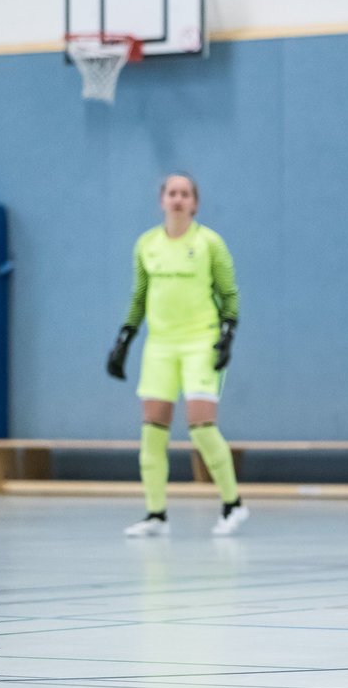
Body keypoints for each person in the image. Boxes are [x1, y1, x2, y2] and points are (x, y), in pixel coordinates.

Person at [106, 172, 248, 538]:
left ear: (195, 203)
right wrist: (125, 338)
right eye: (172, 193)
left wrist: (227, 335)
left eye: (185, 194)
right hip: (160, 346)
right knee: (153, 432)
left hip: (200, 342)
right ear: (162, 201)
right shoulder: (147, 245)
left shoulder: (209, 243)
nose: (178, 199)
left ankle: (233, 504)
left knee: (201, 427)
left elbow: (229, 295)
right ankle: (156, 514)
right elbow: (139, 296)